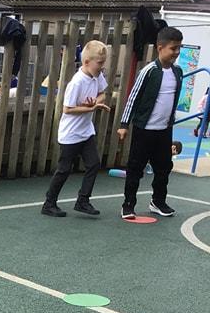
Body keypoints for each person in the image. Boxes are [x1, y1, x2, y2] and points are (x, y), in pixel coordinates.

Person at [117, 26, 184, 220]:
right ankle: (128, 205)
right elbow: (133, 98)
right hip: (144, 129)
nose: (176, 52)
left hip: (164, 130)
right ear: (160, 47)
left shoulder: (178, 72)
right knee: (135, 168)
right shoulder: (149, 71)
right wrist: (124, 124)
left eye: (179, 48)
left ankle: (158, 202)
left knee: (164, 167)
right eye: (173, 48)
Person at [41, 40, 111, 218]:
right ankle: (49, 203)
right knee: (64, 169)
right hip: (71, 134)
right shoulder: (77, 83)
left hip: (86, 131)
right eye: (100, 63)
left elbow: (102, 93)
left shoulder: (97, 76)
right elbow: (67, 109)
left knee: (93, 164)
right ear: (87, 62)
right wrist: (90, 108)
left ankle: (83, 201)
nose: (102, 67)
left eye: (103, 62)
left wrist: (96, 101)